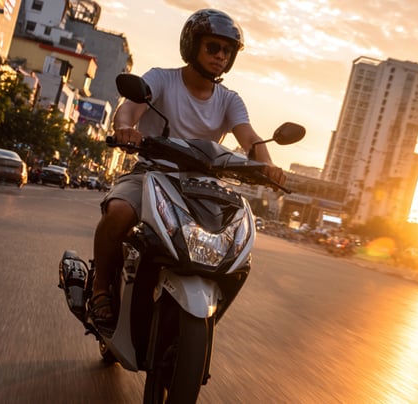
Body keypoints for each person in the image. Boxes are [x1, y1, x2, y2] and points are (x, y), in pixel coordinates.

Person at [88, 9, 286, 331]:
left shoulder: (229, 100)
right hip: (151, 174)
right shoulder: (162, 79)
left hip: (200, 187)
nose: (220, 56)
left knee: (229, 243)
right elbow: (130, 109)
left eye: (227, 51)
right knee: (120, 212)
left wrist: (269, 167)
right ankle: (100, 290)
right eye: (213, 47)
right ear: (192, 46)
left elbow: (249, 138)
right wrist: (125, 128)